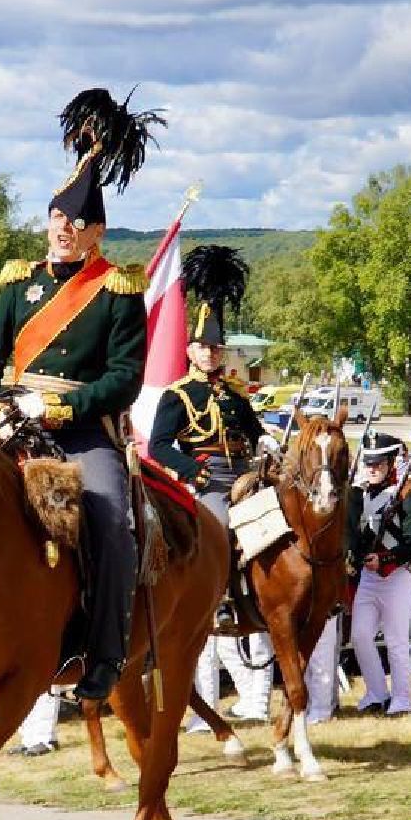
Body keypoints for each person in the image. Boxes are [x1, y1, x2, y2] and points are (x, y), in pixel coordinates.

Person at [0, 86, 158, 703]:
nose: (62, 230)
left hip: (78, 432)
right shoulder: (20, 283)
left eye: (75, 222)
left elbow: (126, 378)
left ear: (96, 230)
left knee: (110, 519)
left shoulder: (119, 290)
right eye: (55, 218)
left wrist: (59, 406)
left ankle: (105, 654)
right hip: (10, 425)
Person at [149, 242, 266, 629]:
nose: (211, 354)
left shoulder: (234, 395)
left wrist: (269, 447)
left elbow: (256, 434)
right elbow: (159, 446)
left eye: (217, 348)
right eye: (204, 347)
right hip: (208, 478)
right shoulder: (178, 395)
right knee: (220, 529)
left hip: (247, 476)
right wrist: (194, 473)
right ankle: (220, 599)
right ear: (190, 349)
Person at [348, 432, 411, 715]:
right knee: (359, 635)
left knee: (396, 640)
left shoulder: (407, 495)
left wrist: (385, 559)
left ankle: (402, 698)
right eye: (368, 463)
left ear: (391, 463)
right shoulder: (359, 495)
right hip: (369, 579)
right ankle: (376, 692)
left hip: (398, 575)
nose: (372, 468)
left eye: (379, 463)